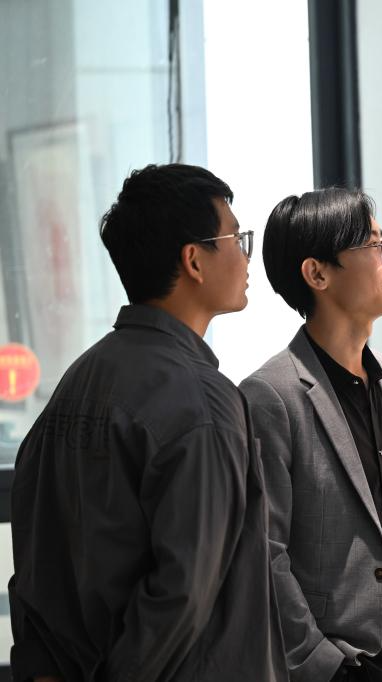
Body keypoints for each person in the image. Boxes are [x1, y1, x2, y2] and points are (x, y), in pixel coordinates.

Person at [8, 164, 287, 682]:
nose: (246, 255)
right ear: (194, 260)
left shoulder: (77, 380)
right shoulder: (203, 401)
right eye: (236, 237)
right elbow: (183, 596)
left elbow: (34, 568)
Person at [240, 188, 382, 682]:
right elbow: (264, 558)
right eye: (375, 246)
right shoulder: (270, 396)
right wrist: (328, 668)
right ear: (317, 274)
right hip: (338, 669)